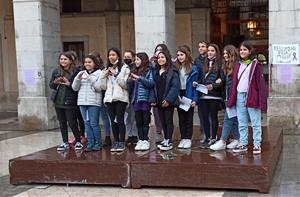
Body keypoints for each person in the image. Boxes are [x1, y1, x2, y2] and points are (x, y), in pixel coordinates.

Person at [228, 41, 267, 154]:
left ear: (250, 51)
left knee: (255, 121)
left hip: (252, 95)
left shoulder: (256, 64)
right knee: (242, 121)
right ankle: (243, 143)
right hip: (240, 95)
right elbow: (234, 82)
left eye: (245, 49)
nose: (242, 52)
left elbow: (260, 83)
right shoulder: (238, 65)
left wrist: (262, 100)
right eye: (240, 50)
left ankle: (257, 144)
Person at [49, 51, 83, 151]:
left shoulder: (76, 71)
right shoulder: (56, 71)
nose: (62, 61)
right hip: (58, 101)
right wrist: (55, 82)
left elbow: (77, 87)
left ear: (70, 60)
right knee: (62, 123)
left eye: (65, 59)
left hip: (70, 101)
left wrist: (69, 83)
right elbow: (51, 85)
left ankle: (78, 141)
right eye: (61, 59)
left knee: (72, 122)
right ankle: (65, 142)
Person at [194, 43, 225, 149]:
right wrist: (196, 83)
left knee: (213, 116)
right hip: (203, 94)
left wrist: (214, 85)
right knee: (204, 117)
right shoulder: (204, 64)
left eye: (212, 51)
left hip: (214, 95)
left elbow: (222, 80)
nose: (210, 53)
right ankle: (207, 137)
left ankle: (213, 137)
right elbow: (201, 78)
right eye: (209, 51)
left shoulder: (220, 64)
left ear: (216, 52)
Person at [100, 48, 130, 152]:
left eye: (113, 55)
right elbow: (103, 87)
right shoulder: (106, 69)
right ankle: (116, 141)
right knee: (113, 121)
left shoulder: (124, 68)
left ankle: (122, 142)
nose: (111, 57)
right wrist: (104, 76)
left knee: (120, 120)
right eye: (109, 55)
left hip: (121, 98)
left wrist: (116, 74)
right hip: (109, 99)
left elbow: (126, 85)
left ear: (118, 56)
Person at [210, 45, 240, 151]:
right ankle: (237, 138)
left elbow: (235, 84)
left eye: (227, 53)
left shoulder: (237, 65)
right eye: (224, 54)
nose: (225, 55)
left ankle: (222, 141)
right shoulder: (226, 66)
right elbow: (224, 81)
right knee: (233, 119)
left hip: (234, 97)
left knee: (228, 118)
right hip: (227, 96)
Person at [72, 54, 104, 151]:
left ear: (95, 63)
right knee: (87, 123)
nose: (87, 64)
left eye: (89, 62)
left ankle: (98, 143)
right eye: (85, 62)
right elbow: (74, 88)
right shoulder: (81, 73)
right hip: (82, 102)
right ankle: (90, 143)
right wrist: (78, 79)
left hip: (94, 102)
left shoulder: (100, 73)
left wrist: (90, 78)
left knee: (94, 123)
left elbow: (99, 88)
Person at [153, 50, 180, 151]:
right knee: (162, 120)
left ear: (167, 58)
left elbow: (175, 87)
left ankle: (169, 140)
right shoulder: (155, 71)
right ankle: (165, 138)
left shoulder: (172, 71)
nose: (160, 59)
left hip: (168, 100)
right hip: (158, 100)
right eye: (159, 58)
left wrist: (168, 99)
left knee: (168, 120)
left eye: (163, 57)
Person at [127, 52, 155, 151]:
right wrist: (130, 80)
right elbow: (130, 88)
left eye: (138, 60)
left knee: (145, 121)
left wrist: (139, 78)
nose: (136, 62)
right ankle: (140, 139)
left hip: (145, 100)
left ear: (143, 60)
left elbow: (151, 83)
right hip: (135, 100)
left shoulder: (149, 70)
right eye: (135, 60)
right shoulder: (134, 70)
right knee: (138, 121)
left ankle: (145, 139)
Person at [176, 45, 198, 149]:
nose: (180, 57)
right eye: (178, 55)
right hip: (179, 93)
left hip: (189, 92)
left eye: (182, 54)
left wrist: (194, 99)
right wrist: (177, 96)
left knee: (189, 117)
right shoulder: (176, 68)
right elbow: (174, 84)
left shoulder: (193, 68)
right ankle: (183, 138)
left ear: (186, 55)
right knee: (181, 118)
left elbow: (196, 86)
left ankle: (188, 138)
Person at [89, 51, 111, 146]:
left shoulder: (102, 70)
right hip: (91, 98)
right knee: (93, 119)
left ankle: (107, 136)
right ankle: (93, 138)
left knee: (105, 117)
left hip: (102, 96)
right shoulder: (86, 70)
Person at [150, 43, 171, 143]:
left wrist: (168, 98)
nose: (159, 57)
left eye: (161, 50)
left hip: (167, 97)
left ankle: (168, 138)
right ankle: (160, 133)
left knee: (167, 119)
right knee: (158, 116)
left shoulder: (170, 68)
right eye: (157, 50)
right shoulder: (154, 67)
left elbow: (173, 85)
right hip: (157, 97)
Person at [194, 41, 208, 143]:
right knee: (202, 113)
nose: (200, 48)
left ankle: (211, 133)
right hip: (200, 89)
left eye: (203, 46)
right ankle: (203, 132)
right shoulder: (197, 60)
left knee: (211, 114)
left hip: (210, 89)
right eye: (199, 47)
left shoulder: (212, 60)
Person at [123, 49, 139, 145]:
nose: (126, 59)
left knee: (134, 117)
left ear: (133, 58)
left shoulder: (135, 69)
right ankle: (129, 135)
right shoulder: (123, 68)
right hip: (125, 96)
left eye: (129, 57)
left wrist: (130, 80)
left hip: (133, 96)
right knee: (127, 118)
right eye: (125, 57)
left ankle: (135, 135)